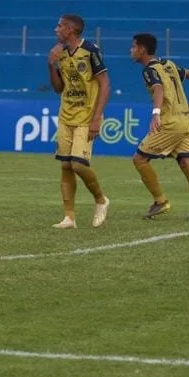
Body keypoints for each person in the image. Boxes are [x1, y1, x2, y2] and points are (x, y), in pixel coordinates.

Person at [129, 33, 189, 220]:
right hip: (185, 120)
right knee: (187, 163)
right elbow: (188, 74)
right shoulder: (168, 64)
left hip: (170, 122)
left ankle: (160, 201)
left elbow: (158, 89)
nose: (131, 50)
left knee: (139, 160)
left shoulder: (149, 70)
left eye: (133, 47)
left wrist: (156, 114)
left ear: (142, 50)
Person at [47, 14, 111, 229]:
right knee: (66, 165)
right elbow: (58, 89)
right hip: (66, 116)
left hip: (87, 117)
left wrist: (96, 118)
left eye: (59, 26)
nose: (56, 29)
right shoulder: (60, 53)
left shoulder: (91, 51)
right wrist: (50, 65)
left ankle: (101, 199)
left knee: (78, 164)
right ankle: (69, 217)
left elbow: (105, 85)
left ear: (71, 30)